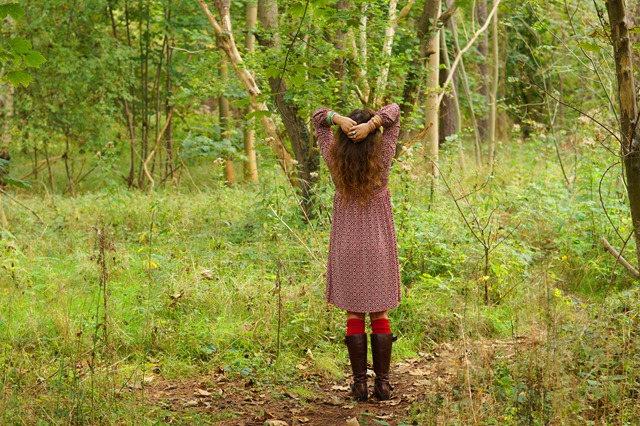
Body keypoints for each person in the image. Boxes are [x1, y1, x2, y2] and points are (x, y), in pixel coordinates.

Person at [312, 103, 401, 401]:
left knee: (354, 313)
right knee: (379, 312)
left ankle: (360, 384)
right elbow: (395, 111)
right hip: (377, 245)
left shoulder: (335, 161)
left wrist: (337, 119)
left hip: (347, 248)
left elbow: (317, 118)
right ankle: (384, 384)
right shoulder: (383, 157)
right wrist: (373, 124)